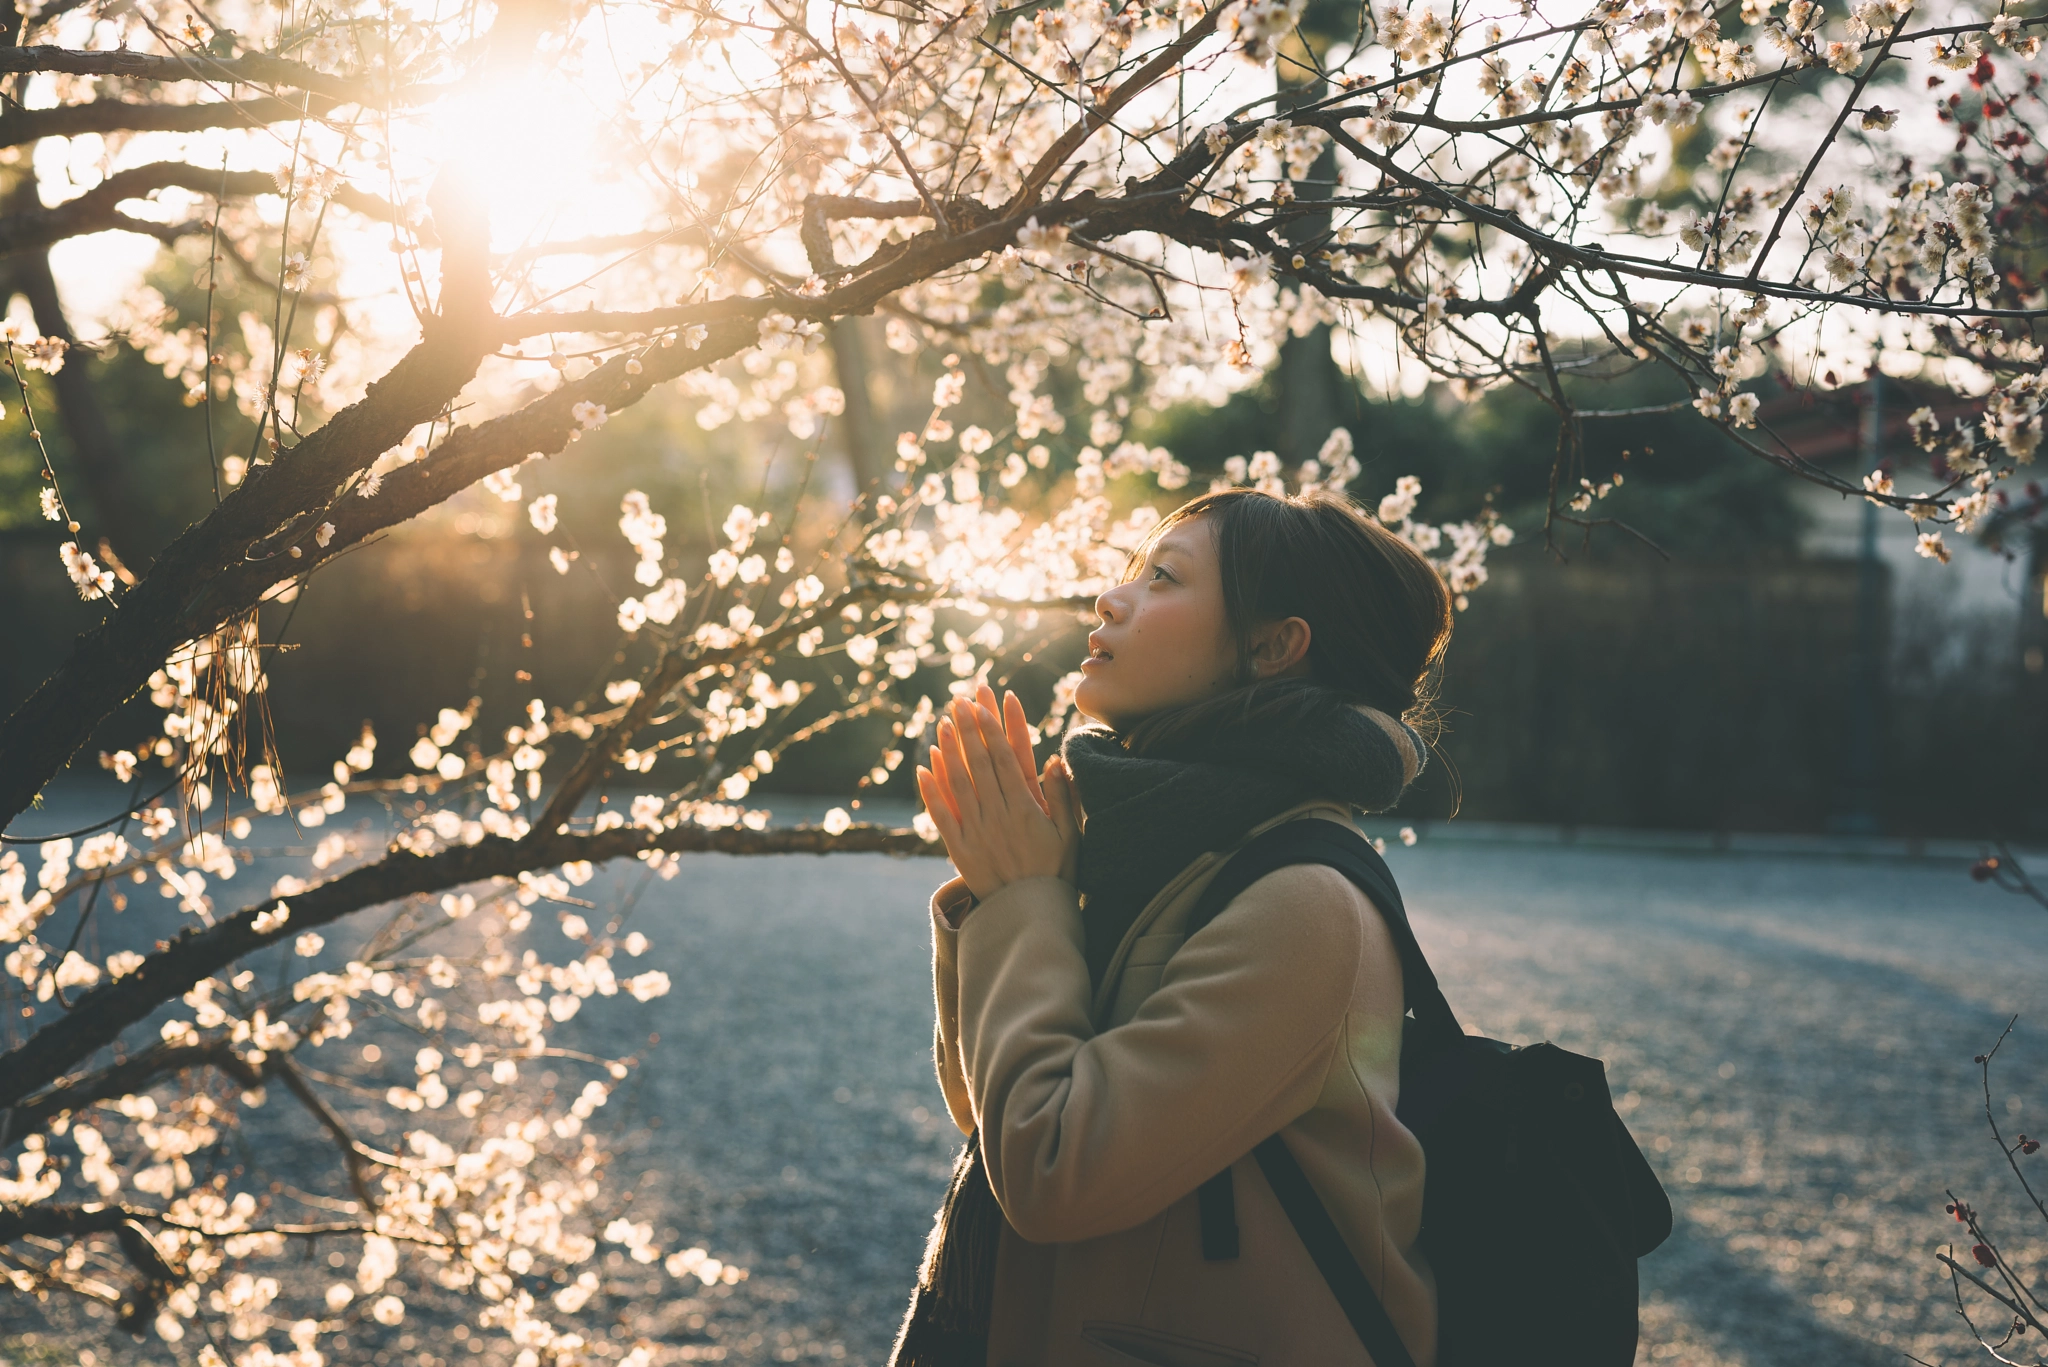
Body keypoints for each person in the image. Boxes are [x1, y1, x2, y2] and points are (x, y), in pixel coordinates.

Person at [899, 486, 1453, 1367]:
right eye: (1130, 571)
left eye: (1162, 577)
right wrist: (1011, 889)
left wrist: (1021, 899)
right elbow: (992, 1114)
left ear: (1273, 647)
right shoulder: (1144, 848)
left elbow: (1049, 1167)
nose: (1111, 597)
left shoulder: (1306, 904)